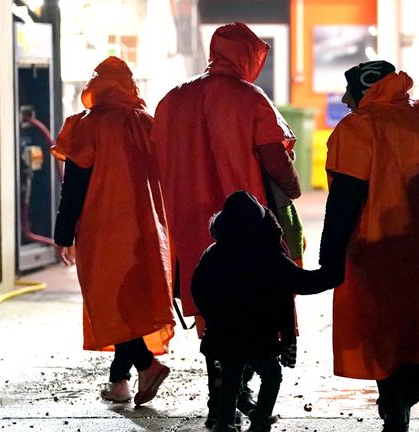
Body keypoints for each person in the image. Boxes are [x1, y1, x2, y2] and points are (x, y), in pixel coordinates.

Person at [317, 60, 419, 432]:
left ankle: (394, 403)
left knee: (386, 331)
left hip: (378, 247)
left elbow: (344, 200)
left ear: (364, 89)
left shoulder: (360, 128)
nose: (344, 99)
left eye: (349, 92)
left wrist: (330, 261)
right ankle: (402, 400)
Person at [150, 22, 302, 426]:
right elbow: (275, 158)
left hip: (189, 225)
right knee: (253, 306)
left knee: (211, 309)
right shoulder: (251, 99)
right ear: (248, 56)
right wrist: (293, 188)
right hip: (246, 227)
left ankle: (222, 391)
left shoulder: (172, 100)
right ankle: (239, 390)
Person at [52, 56, 174, 405]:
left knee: (111, 302)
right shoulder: (146, 123)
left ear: (96, 87)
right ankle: (118, 382)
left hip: (103, 228)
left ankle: (147, 366)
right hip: (148, 232)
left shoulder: (87, 126)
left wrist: (63, 235)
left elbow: (73, 186)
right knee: (131, 301)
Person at [191, 191, 334, 432]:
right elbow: (302, 282)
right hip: (260, 335)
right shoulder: (270, 255)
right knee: (271, 375)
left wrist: (213, 316)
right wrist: (334, 274)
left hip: (224, 333)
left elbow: (198, 289)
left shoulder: (214, 254)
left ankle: (224, 423)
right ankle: (261, 416)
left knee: (230, 380)